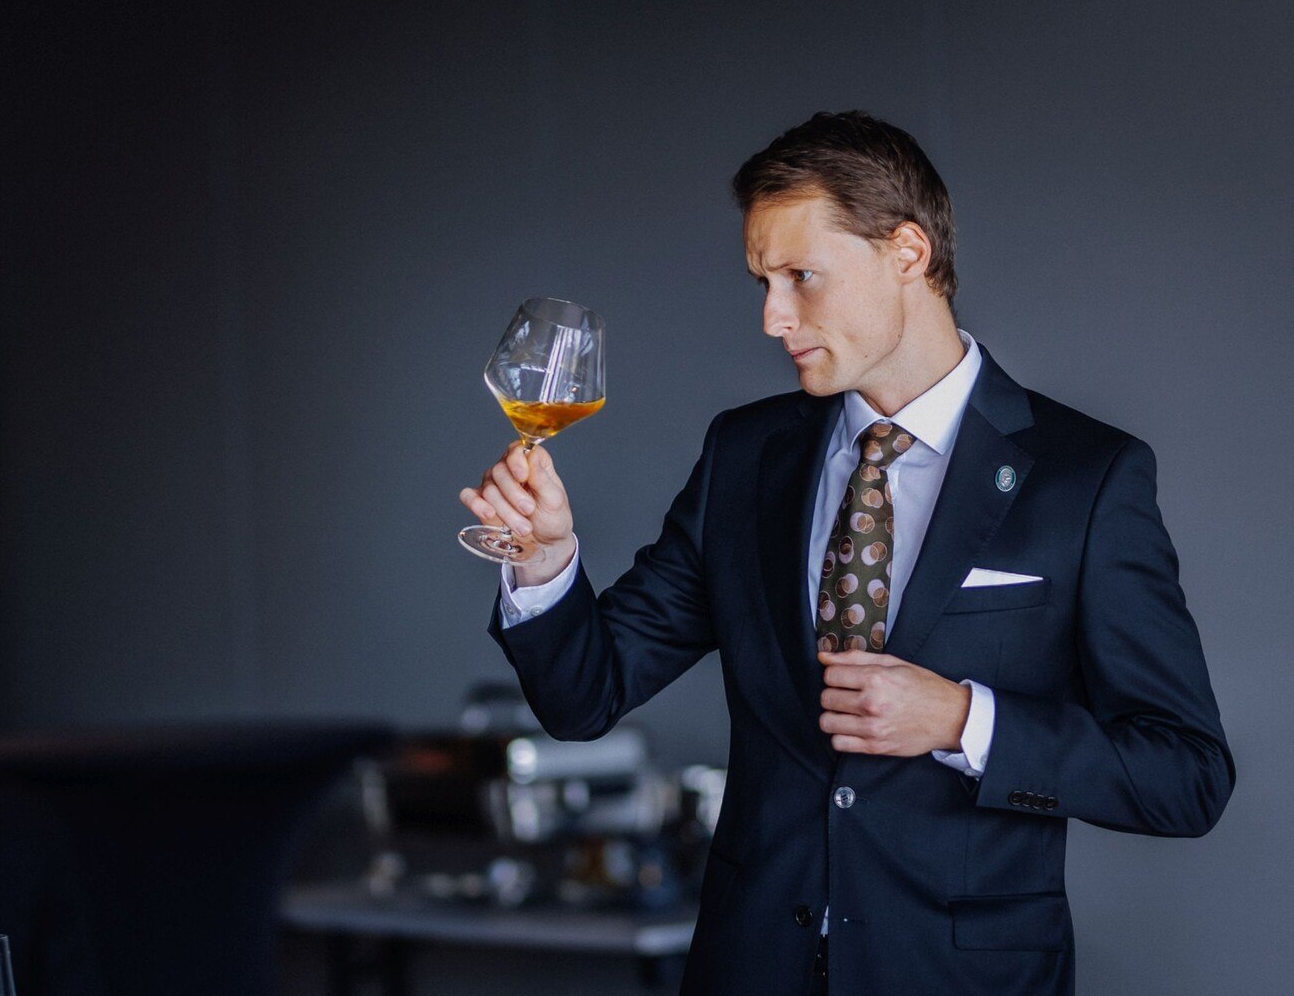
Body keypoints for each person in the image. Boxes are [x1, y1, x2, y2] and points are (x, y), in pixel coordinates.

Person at [458, 110, 1234, 996]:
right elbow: (582, 697)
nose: (770, 317)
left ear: (906, 252)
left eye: (799, 277)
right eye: (760, 281)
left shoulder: (1087, 477)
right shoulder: (744, 456)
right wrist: (545, 564)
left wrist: (961, 721)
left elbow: (1186, 778)